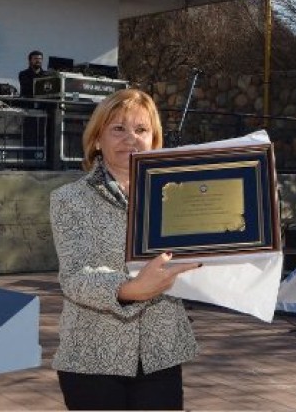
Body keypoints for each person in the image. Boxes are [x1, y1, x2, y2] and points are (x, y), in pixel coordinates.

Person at [49, 88, 200, 410]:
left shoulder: (179, 194)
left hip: (162, 354)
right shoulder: (68, 199)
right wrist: (129, 289)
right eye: (118, 128)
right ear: (97, 139)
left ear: (154, 140)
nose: (130, 138)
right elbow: (75, 276)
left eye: (141, 129)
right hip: (93, 357)